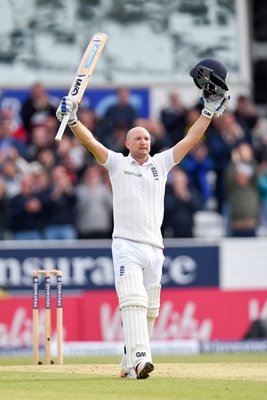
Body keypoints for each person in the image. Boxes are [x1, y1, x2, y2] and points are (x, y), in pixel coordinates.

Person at [56, 59, 229, 379]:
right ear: (126, 143)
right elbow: (92, 143)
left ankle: (127, 363)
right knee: (132, 299)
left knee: (150, 309)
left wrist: (207, 112)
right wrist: (74, 120)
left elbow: (190, 140)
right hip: (126, 244)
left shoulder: (160, 164)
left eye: (147, 138)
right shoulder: (117, 165)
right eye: (138, 138)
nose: (144, 141)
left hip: (155, 246)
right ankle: (140, 359)